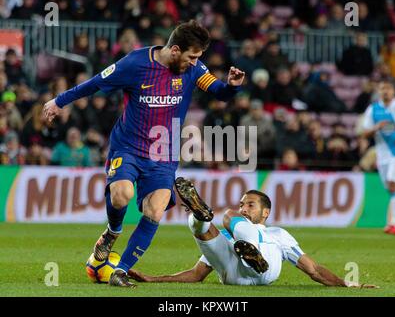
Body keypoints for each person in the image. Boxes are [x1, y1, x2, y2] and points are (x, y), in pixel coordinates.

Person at [42, 20, 245, 287]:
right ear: (175, 50)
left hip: (163, 153)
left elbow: (219, 92)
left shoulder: (194, 69)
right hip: (128, 147)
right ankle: (112, 232)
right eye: (192, 56)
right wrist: (59, 101)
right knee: (121, 195)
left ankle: (120, 270)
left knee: (156, 209)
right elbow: (94, 83)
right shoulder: (134, 64)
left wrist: (232, 86)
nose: (195, 62)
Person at [128, 177, 377, 288]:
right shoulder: (231, 234)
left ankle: (251, 254)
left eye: (250, 205)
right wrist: (153, 279)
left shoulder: (279, 234)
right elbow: (196, 274)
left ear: (265, 213)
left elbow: (313, 269)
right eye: (242, 204)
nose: (243, 209)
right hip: (233, 271)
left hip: (265, 268)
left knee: (226, 217)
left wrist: (346, 283)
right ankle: (198, 216)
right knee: (203, 228)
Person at [362, 80, 395, 235]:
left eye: (388, 88)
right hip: (383, 155)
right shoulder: (373, 110)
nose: (385, 91)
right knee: (392, 188)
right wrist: (377, 127)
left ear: (394, 91)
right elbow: (364, 132)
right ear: (379, 91)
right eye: (382, 88)